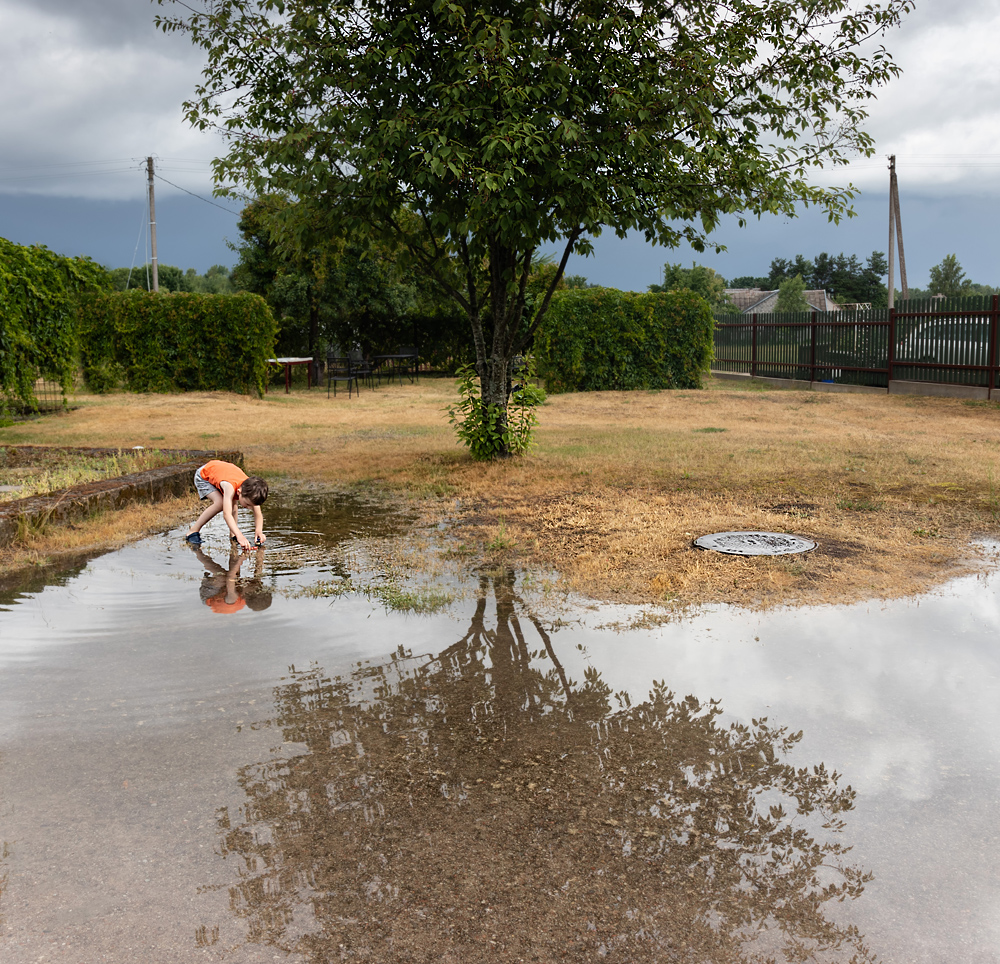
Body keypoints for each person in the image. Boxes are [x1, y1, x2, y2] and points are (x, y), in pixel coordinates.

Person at [184, 458, 268, 550]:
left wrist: (258, 531)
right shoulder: (230, 487)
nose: (249, 508)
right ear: (239, 492)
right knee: (220, 503)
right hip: (204, 476)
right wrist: (240, 535)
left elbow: (258, 514)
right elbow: (226, 514)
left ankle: (233, 534)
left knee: (232, 505)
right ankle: (193, 531)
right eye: (248, 504)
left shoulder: (252, 491)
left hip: (222, 472)